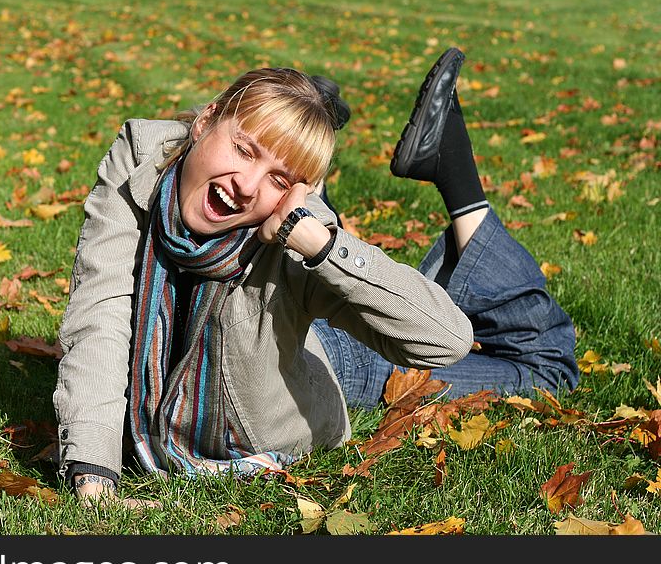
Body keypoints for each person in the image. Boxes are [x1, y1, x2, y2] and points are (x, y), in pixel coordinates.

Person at [53, 48, 578, 505]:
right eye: (243, 149)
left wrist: (320, 243)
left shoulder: (296, 237)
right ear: (206, 119)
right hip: (289, 330)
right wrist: (94, 471)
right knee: (529, 355)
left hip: (317, 364)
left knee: (548, 367)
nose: (244, 185)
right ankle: (419, 158)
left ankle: (456, 173)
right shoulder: (140, 168)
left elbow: (447, 340)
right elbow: (102, 317)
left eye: (279, 179)